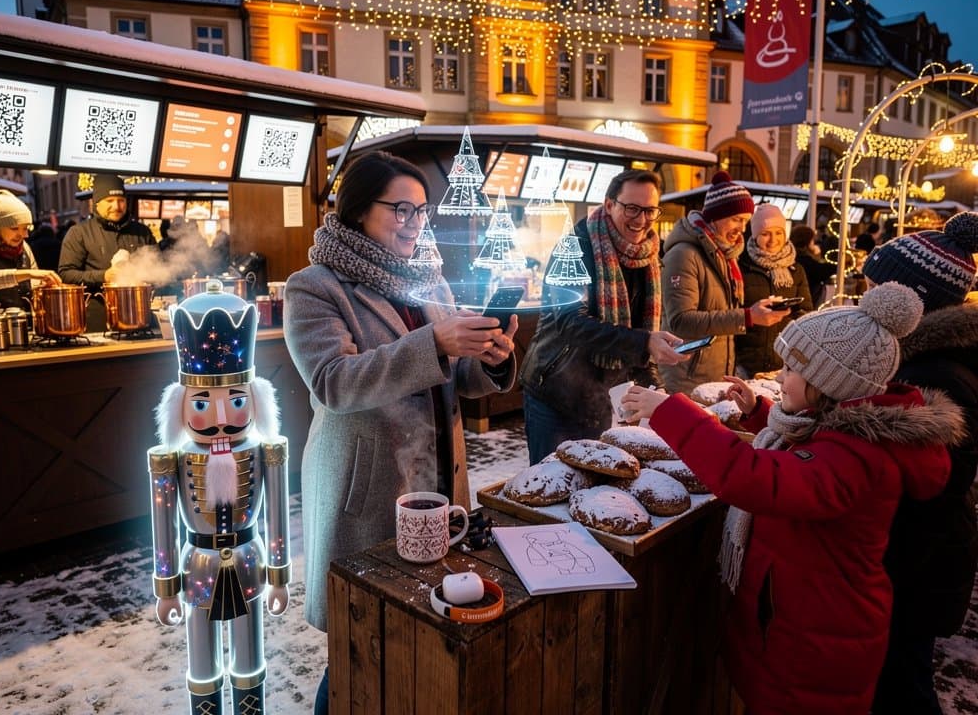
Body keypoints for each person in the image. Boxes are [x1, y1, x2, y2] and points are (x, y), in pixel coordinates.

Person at [621, 280, 959, 715]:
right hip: (802, 627)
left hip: (817, 647)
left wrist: (668, 410)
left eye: (790, 371)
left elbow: (755, 478)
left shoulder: (859, 460)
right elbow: (807, 448)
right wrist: (758, 411)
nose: (779, 378)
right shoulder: (847, 433)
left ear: (828, 383)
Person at [282, 150, 518, 714]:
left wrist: (488, 357)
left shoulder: (427, 278)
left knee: (422, 629)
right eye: (401, 211)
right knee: (360, 642)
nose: (415, 224)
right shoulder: (314, 287)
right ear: (360, 210)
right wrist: (436, 343)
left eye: (421, 212)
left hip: (437, 478)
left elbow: (452, 377)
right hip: (366, 491)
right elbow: (333, 382)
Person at [150, 282, 290, 714]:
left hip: (249, 561)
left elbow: (279, 518)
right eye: (202, 405)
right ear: (181, 404)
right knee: (202, 664)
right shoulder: (170, 459)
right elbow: (163, 526)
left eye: (234, 401)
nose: (222, 420)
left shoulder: (267, 451)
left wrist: (280, 576)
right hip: (197, 568)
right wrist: (166, 588)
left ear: (253, 399)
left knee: (250, 661)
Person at [861, 212, 978, 715]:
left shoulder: (936, 375)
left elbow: (930, 486)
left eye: (873, 288)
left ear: (910, 299)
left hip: (915, 568)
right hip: (921, 560)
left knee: (902, 686)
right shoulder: (932, 355)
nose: (864, 298)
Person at [518, 169, 688, 465]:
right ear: (609, 204)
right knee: (552, 486)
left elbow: (636, 330)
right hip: (555, 393)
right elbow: (571, 323)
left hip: (601, 396)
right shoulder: (574, 248)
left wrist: (652, 383)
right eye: (632, 208)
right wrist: (645, 342)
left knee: (596, 488)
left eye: (650, 210)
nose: (641, 219)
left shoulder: (647, 256)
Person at [660, 171, 789, 394]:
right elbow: (680, 321)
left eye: (745, 221)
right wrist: (748, 316)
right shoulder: (684, 254)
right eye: (736, 219)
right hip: (686, 377)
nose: (741, 228)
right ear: (715, 216)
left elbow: (721, 313)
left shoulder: (726, 256)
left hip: (715, 374)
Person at [58, 173, 155, 330]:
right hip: (96, 320)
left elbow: (158, 268)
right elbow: (66, 274)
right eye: (109, 201)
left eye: (121, 200)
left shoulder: (142, 232)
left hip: (139, 316)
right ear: (96, 203)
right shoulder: (79, 233)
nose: (116, 206)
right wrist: (103, 276)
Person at [735, 204, 813, 376]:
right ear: (755, 236)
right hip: (744, 363)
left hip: (784, 361)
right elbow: (731, 312)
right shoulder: (741, 266)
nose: (773, 240)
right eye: (765, 234)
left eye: (778, 233)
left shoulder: (796, 270)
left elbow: (805, 312)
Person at [789, 223, 837, 307]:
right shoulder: (805, 260)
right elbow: (822, 271)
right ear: (807, 242)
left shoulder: (791, 257)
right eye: (812, 240)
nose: (814, 243)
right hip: (804, 303)